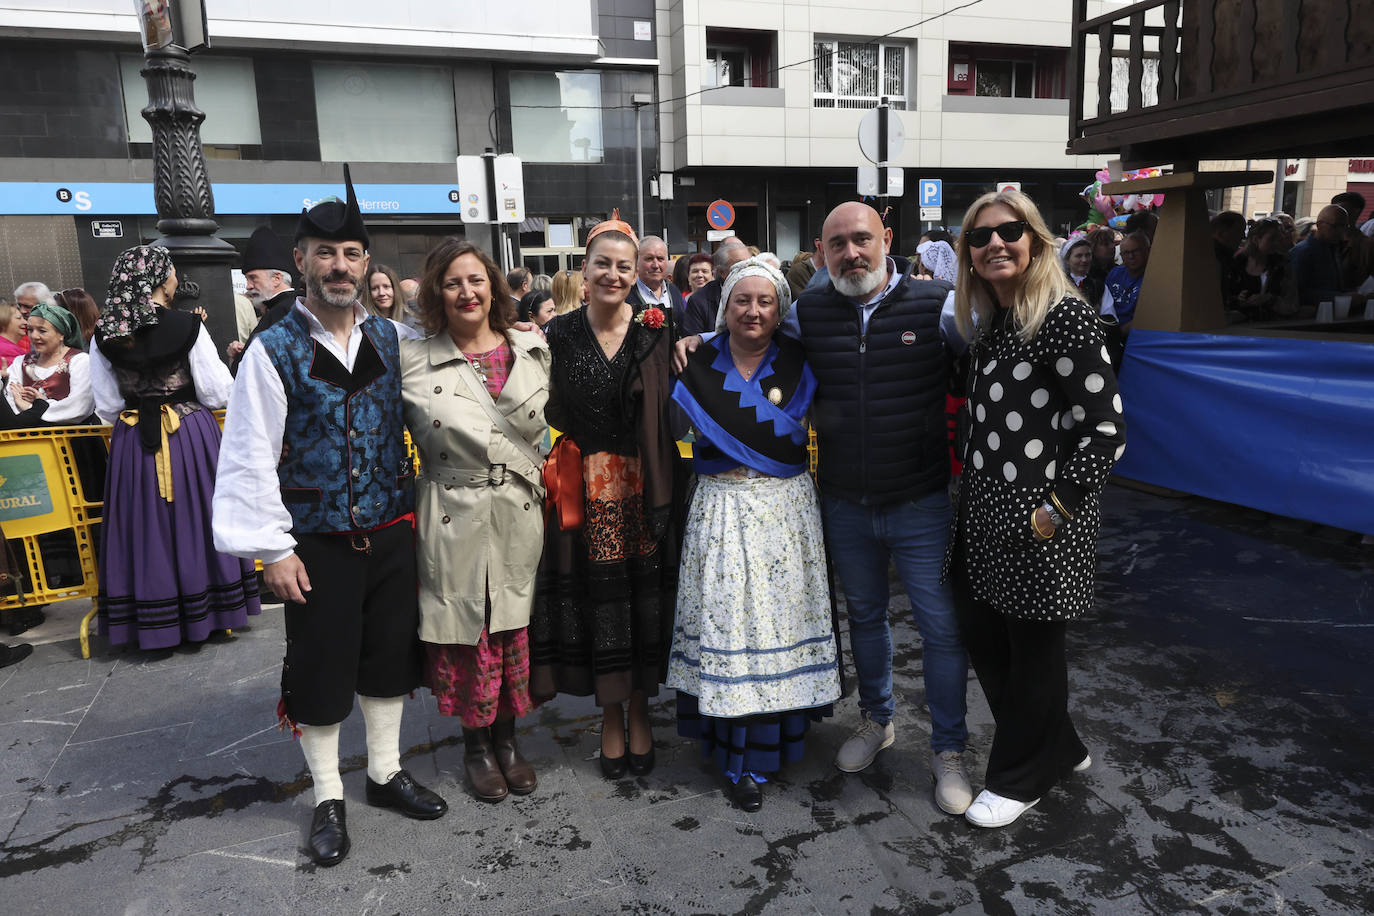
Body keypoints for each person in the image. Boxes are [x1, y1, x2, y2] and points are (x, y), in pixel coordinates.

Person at [675, 201, 973, 817]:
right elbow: (745, 332)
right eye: (837, 244)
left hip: (919, 499)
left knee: (940, 628)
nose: (851, 253)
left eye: (862, 240)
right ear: (822, 249)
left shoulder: (938, 302)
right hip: (843, 500)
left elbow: (989, 357)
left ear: (886, 239)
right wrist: (696, 336)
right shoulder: (811, 311)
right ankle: (877, 720)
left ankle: (948, 752)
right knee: (865, 618)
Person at [213, 168, 447, 868]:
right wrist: (272, 550)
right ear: (301, 261)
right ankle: (325, 795)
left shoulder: (393, 339)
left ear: (367, 263)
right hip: (314, 542)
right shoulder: (274, 347)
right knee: (319, 672)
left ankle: (381, 772)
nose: (338, 265)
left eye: (350, 253)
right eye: (324, 252)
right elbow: (250, 452)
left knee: (384, 660)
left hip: (391, 530)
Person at [948, 189, 1125, 828]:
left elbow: (1105, 430)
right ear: (967, 254)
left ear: (1035, 240)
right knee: (988, 637)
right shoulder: (992, 320)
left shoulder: (1066, 318)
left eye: (1010, 230)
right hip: (986, 510)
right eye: (980, 235)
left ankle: (1022, 777)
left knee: (1033, 653)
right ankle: (1060, 745)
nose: (996, 242)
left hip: (1043, 519)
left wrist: (1056, 509)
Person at [666, 256, 840, 813]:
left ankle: (780, 739)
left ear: (780, 309)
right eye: (742, 300)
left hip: (785, 513)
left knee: (778, 621)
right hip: (721, 508)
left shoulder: (800, 361)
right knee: (731, 624)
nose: (753, 311)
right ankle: (736, 755)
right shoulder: (698, 359)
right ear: (725, 306)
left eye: (765, 301)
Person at [530, 214, 681, 781]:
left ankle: (639, 711)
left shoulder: (658, 328)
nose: (614, 274)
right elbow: (542, 404)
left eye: (624, 265)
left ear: (637, 271)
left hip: (646, 489)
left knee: (641, 606)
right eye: (604, 265)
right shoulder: (559, 333)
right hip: (586, 490)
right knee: (601, 609)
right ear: (584, 271)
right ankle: (610, 717)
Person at [401, 239, 550, 803]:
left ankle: (509, 742)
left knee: (511, 627)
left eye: (477, 280)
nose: (467, 292)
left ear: (495, 287)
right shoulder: (411, 359)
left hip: (517, 511)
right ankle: (475, 748)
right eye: (453, 282)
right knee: (469, 634)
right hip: (451, 515)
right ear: (439, 292)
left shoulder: (534, 348)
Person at [88, 244, 260, 651]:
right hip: (188, 435)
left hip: (134, 438)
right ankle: (212, 613)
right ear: (162, 279)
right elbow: (218, 391)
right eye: (173, 271)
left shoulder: (105, 335)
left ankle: (154, 623)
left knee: (143, 525)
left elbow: (108, 405)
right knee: (197, 518)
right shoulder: (186, 325)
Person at [5, 301, 94, 426]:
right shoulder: (20, 362)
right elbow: (10, 400)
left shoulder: (80, 361)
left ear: (61, 334)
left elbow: (79, 406)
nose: (34, 336)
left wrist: (32, 408)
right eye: (30, 330)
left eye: (42, 331)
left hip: (73, 438)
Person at [229, 226, 297, 367]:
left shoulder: (282, 313)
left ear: (276, 278)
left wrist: (237, 359)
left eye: (253, 278)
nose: (248, 286)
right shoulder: (290, 307)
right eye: (247, 279)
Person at [1291, 205, 1366, 313]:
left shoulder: (1333, 248)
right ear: (1319, 225)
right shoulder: (1303, 252)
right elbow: (1297, 292)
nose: (1341, 231)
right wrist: (1341, 297)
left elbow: (1334, 285)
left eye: (1344, 226)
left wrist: (1355, 294)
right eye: (1336, 226)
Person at [1229, 217, 1297, 319]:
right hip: (1238, 326)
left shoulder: (1282, 266)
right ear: (1256, 239)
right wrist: (1238, 300)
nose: (1277, 243)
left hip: (1271, 326)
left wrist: (1270, 300)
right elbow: (1222, 298)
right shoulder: (1237, 263)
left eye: (1279, 239)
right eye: (1272, 239)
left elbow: (1292, 305)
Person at [682, 238, 749, 335]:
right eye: (740, 265)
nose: (749, 269)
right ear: (722, 272)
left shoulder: (762, 291)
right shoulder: (699, 301)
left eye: (751, 263)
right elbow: (693, 343)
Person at [1101, 231, 1150, 327]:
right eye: (1126, 253)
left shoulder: (1153, 277)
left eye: (1136, 251)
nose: (1131, 256)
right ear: (1121, 255)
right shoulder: (1115, 273)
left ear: (1147, 251)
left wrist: (1119, 333)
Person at [627, 235, 682, 317]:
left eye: (660, 259)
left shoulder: (674, 291)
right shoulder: (627, 294)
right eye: (649, 258)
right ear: (636, 262)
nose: (655, 265)